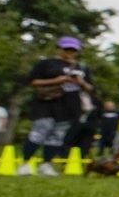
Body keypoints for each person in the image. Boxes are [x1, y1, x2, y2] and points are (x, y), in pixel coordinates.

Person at [20, 35, 94, 176]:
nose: (69, 52)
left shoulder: (82, 67)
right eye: (66, 49)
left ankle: (46, 164)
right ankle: (25, 163)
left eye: (73, 50)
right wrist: (58, 80)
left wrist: (81, 82)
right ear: (59, 49)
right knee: (39, 132)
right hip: (47, 103)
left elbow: (90, 88)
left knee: (57, 136)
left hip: (70, 106)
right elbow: (33, 81)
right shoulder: (46, 63)